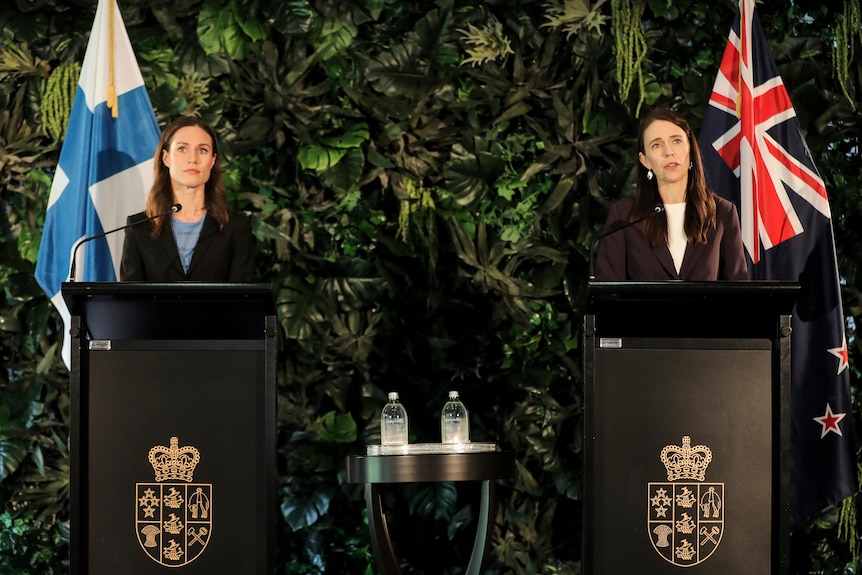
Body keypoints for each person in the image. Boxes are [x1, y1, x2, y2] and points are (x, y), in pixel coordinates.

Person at [593, 108, 747, 281]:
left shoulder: (723, 213)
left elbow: (738, 292)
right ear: (645, 160)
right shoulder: (623, 217)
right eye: (656, 145)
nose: (669, 151)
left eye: (676, 141)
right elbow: (608, 296)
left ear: (690, 151)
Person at [120, 116, 254, 282]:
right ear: (166, 158)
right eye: (182, 149)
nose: (193, 159)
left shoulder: (236, 228)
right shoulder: (138, 227)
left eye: (203, 150)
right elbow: (129, 302)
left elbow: (242, 301)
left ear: (212, 161)